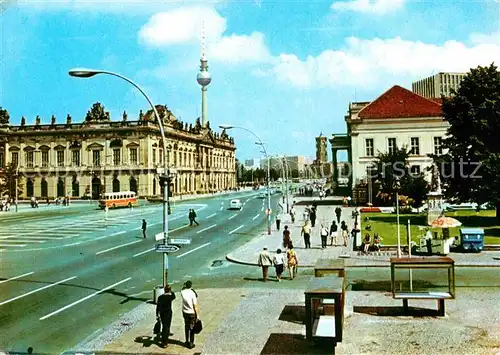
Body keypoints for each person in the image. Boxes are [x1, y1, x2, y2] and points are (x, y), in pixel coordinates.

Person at [181, 281, 199, 349]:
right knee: (192, 328)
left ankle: (186, 341)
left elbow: (182, 288)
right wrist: (197, 315)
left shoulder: (182, 292)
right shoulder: (192, 293)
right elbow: (195, 306)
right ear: (191, 286)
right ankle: (191, 343)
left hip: (185, 312)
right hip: (191, 313)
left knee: (186, 326)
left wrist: (184, 285)